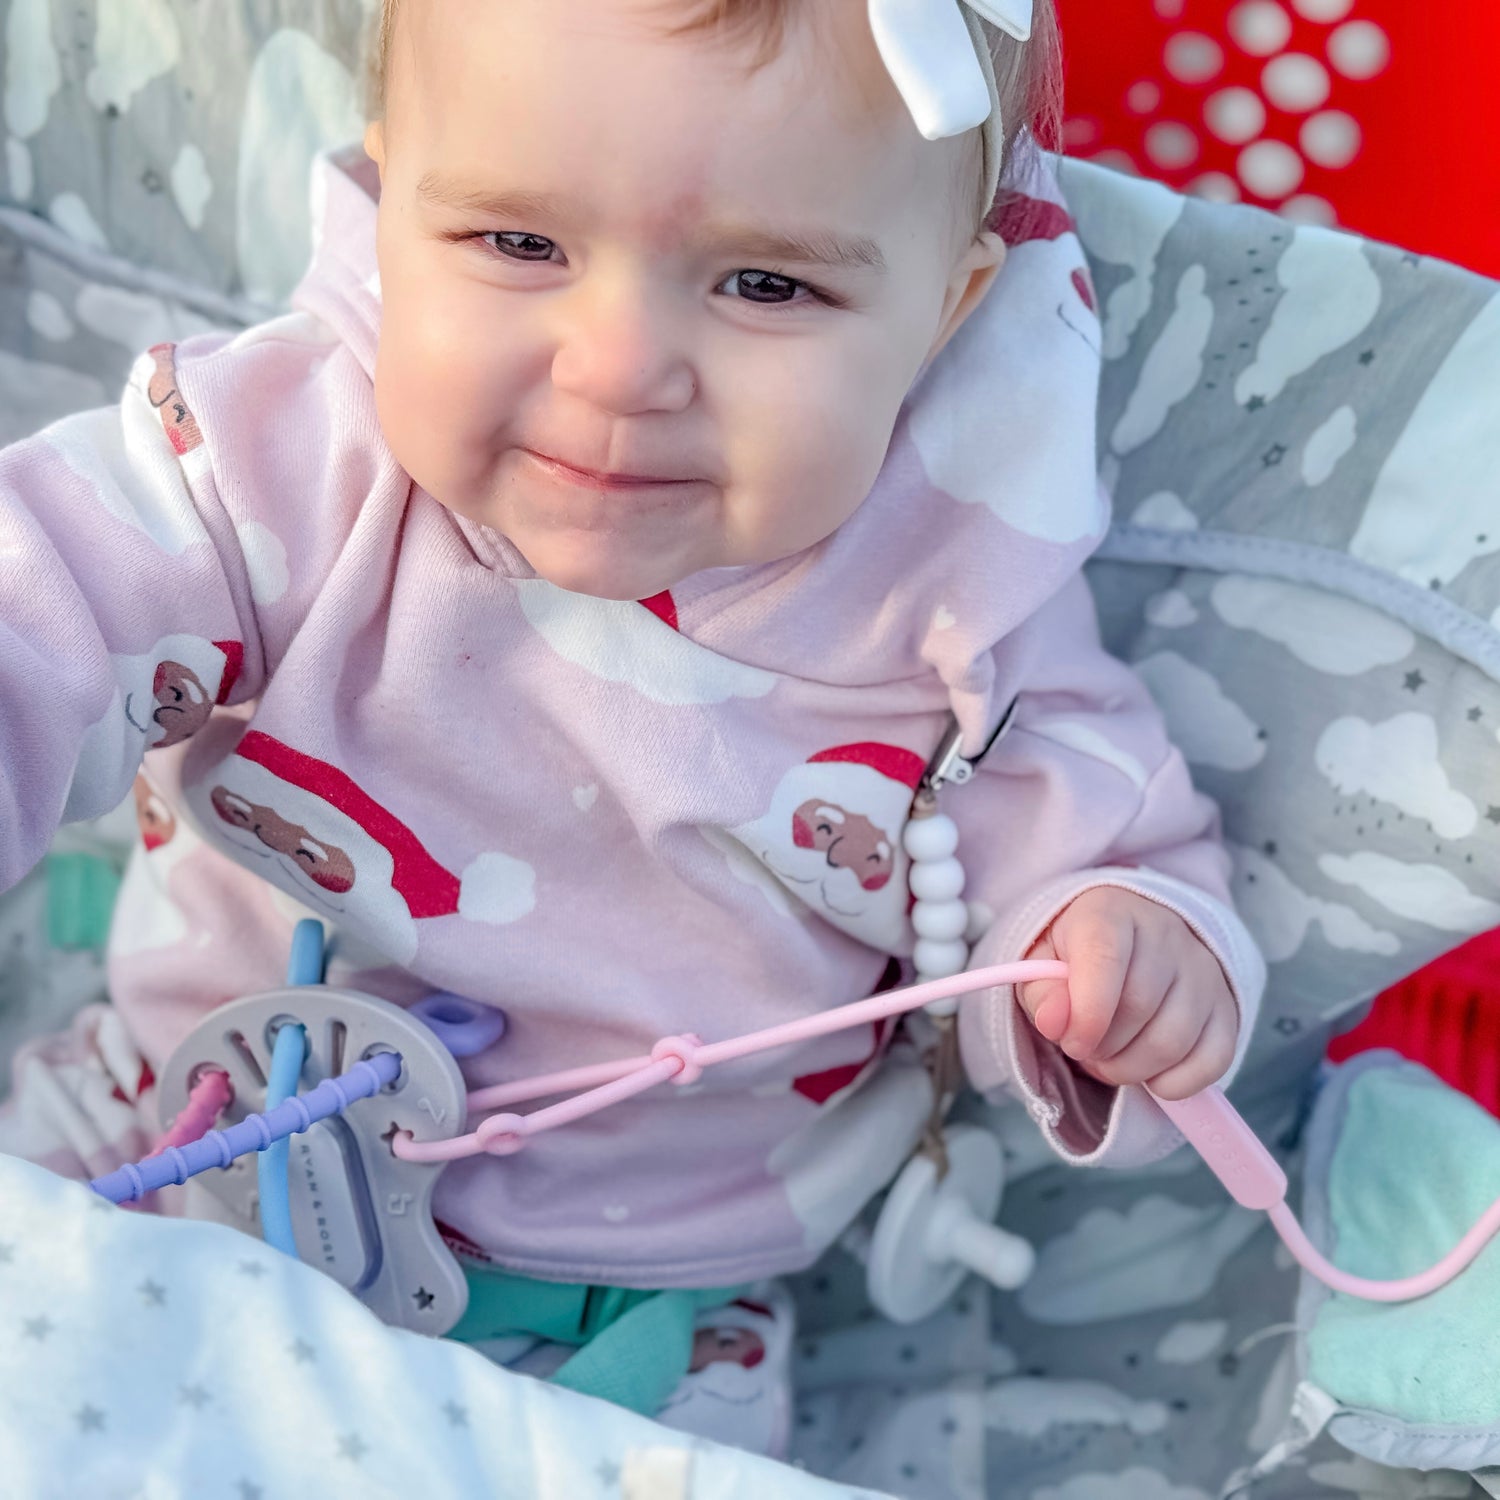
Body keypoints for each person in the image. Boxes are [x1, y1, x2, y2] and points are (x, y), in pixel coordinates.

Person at [0, 0, 1264, 1453]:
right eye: (519, 244)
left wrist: (1121, 956)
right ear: (393, 182)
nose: (616, 368)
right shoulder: (285, 461)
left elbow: (1090, 864)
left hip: (636, 1316)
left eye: (765, 285)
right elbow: (51, 598)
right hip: (171, 1123)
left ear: (947, 307)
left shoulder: (957, 618)